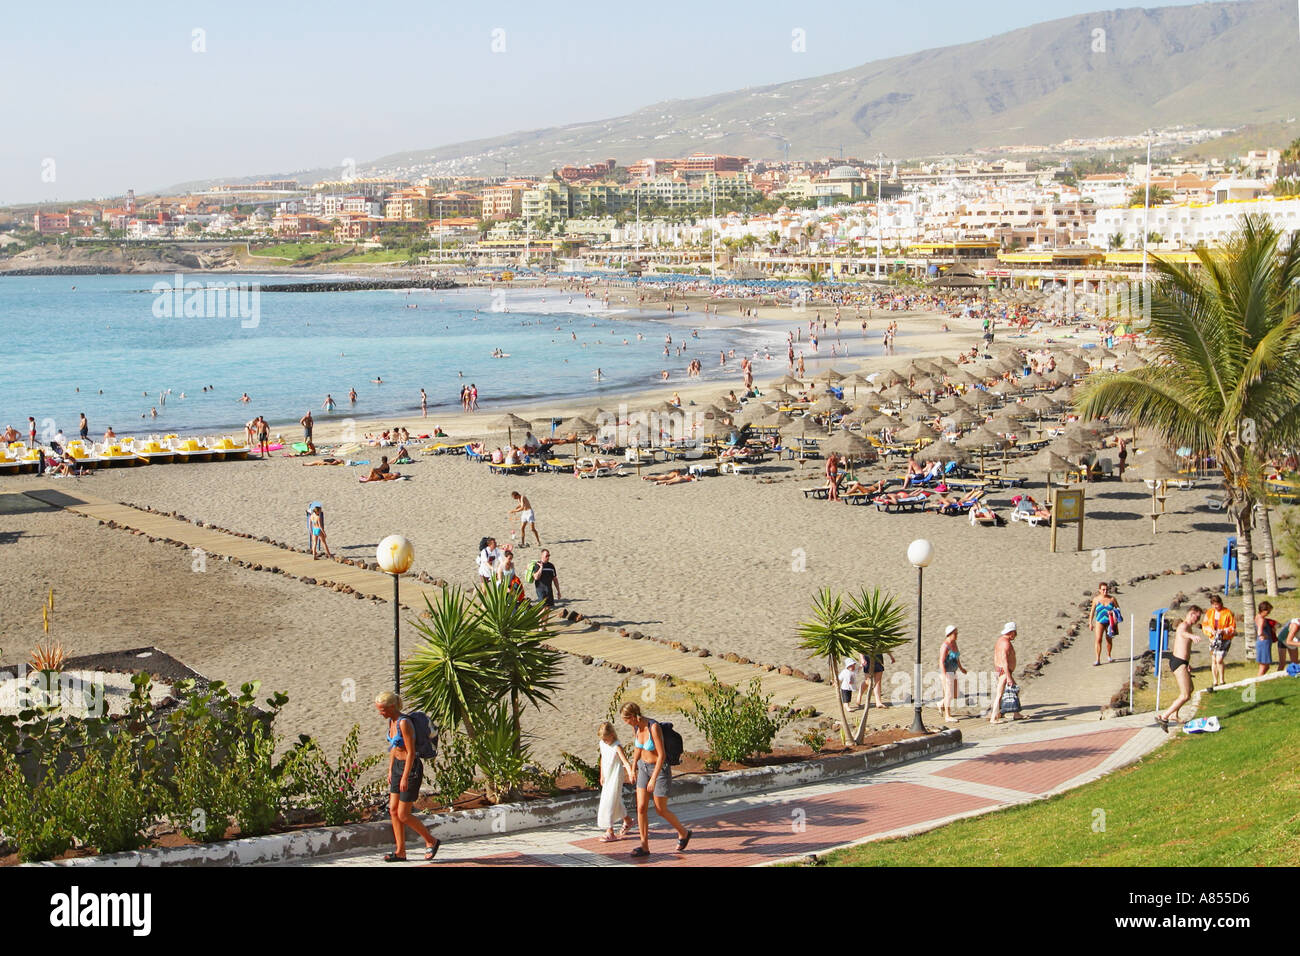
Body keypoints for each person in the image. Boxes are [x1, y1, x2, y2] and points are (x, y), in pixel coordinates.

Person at [620, 702, 691, 858]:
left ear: (632, 717)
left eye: (626, 720)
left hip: (659, 771)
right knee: (641, 808)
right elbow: (638, 748)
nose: (626, 723)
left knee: (660, 809)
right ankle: (644, 847)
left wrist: (653, 779)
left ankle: (684, 833)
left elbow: (662, 756)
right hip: (643, 768)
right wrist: (632, 768)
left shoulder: (654, 727)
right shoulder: (636, 727)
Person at [374, 692, 439, 862]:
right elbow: (394, 747)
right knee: (393, 811)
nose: (380, 713)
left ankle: (431, 841)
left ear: (391, 707)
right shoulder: (392, 721)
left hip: (410, 769)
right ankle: (400, 851)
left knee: (403, 814)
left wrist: (404, 776)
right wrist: (390, 770)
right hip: (397, 767)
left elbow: (410, 753)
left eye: (382, 710)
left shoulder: (404, 723)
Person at [1158, 606, 1204, 732]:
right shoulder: (1183, 626)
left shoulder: (1189, 627)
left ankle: (1174, 714)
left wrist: (1187, 663)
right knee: (1185, 695)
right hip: (1178, 663)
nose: (1198, 619)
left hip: (1182, 662)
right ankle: (1164, 716)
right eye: (1197, 616)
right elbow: (1182, 633)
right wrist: (1191, 636)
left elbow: (1184, 647)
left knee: (1190, 689)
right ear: (1191, 614)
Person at [597, 722, 634, 842]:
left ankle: (610, 831)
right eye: (604, 739)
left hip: (616, 776)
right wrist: (601, 774)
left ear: (612, 735)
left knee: (609, 801)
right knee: (615, 800)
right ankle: (627, 820)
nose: (606, 741)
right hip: (607, 776)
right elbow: (602, 758)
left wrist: (631, 773)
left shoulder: (617, 746)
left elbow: (625, 762)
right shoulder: (602, 744)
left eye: (607, 739)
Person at [1202, 593, 1236, 687]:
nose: (1216, 606)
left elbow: (1232, 627)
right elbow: (1204, 625)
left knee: (1219, 659)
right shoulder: (1209, 612)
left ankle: (1222, 680)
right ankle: (1215, 681)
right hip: (1213, 639)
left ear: (1220, 603)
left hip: (1224, 639)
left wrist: (1224, 631)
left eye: (1217, 604)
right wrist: (1210, 631)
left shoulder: (1227, 612)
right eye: (1214, 605)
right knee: (1213, 660)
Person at [989, 622, 1019, 724]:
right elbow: (1004, 661)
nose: (1015, 635)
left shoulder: (1000, 640)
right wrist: (1008, 677)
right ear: (1011, 632)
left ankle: (1016, 714)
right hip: (1004, 671)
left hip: (1002, 670)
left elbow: (995, 657)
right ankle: (993, 717)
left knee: (1015, 690)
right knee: (999, 694)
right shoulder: (1005, 644)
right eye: (1015, 633)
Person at [938, 625, 966, 723]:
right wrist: (944, 675)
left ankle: (941, 703)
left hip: (953, 671)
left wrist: (961, 668)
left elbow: (957, 657)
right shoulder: (945, 646)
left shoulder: (954, 643)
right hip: (946, 672)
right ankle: (947, 715)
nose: (957, 635)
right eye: (955, 633)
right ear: (949, 634)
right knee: (949, 694)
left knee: (955, 694)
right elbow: (941, 662)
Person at [1090, 582, 1121, 666]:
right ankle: (1097, 659)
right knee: (1098, 639)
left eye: (1107, 589)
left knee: (1109, 640)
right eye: (1103, 589)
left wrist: (1113, 612)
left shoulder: (1112, 599)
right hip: (1099, 621)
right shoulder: (1096, 599)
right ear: (1100, 590)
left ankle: (1109, 655)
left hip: (1110, 622)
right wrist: (1090, 622)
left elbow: (1118, 609)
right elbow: (1092, 611)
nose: (1105, 591)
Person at [1255, 602, 1278, 678]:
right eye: (1268, 611)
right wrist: (1265, 636)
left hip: (1261, 643)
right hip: (1264, 643)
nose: (1268, 613)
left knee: (1266, 665)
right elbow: (1259, 632)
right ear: (1263, 610)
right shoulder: (1261, 619)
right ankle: (1257, 682)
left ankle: (1260, 679)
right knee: (1264, 666)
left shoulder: (1257, 616)